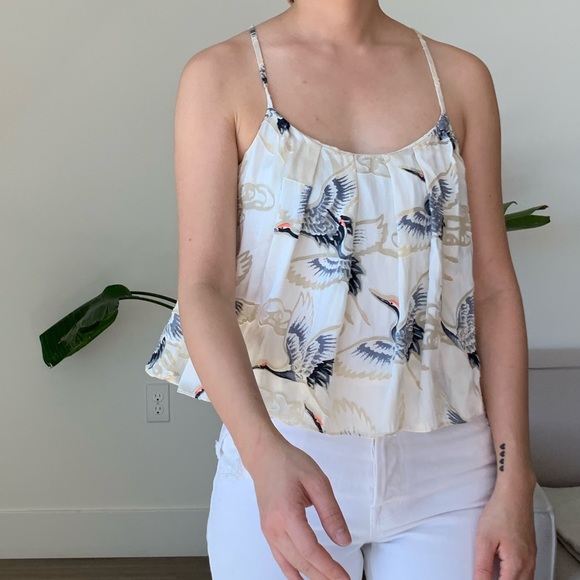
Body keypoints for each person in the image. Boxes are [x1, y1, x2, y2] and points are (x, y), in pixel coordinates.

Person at [146, 1, 538, 578]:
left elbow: (495, 291)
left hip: (453, 472)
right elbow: (203, 289)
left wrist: (515, 477)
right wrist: (261, 453)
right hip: (282, 457)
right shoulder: (221, 75)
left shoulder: (459, 78)